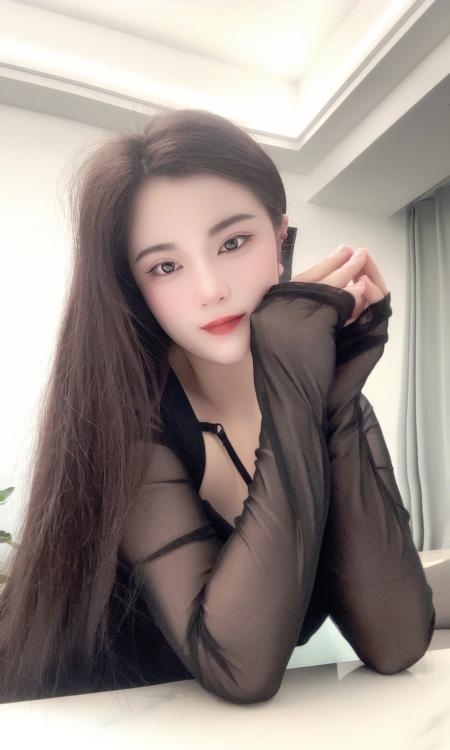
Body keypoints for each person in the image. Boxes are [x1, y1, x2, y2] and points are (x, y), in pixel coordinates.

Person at [0, 109, 435, 705]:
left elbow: (398, 641)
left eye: (233, 242)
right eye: (166, 266)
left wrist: (331, 405)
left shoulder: (322, 393)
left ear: (281, 240)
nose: (210, 289)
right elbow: (240, 669)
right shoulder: (133, 425)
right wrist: (296, 395)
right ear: (134, 287)